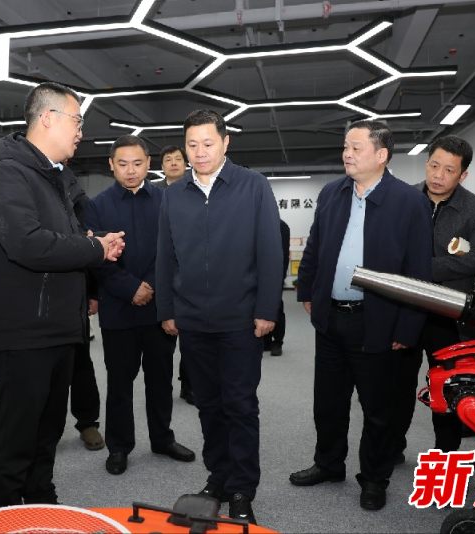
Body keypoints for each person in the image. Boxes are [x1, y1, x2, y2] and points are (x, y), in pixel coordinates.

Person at [0, 82, 124, 510]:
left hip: (59, 328)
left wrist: (93, 242)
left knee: (46, 436)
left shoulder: (54, 177)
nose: (81, 132)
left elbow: (63, 239)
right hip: (23, 332)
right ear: (47, 118)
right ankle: (1, 520)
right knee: (14, 443)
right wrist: (95, 248)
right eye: (76, 121)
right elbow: (27, 243)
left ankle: (41, 505)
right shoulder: (8, 173)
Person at [289, 119, 432, 511]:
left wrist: (408, 327)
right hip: (332, 319)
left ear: (381, 155)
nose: (347, 154)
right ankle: (328, 464)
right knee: (328, 403)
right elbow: (315, 247)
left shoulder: (409, 202)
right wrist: (308, 291)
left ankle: (374, 478)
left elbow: (419, 270)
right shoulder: (332, 193)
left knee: (378, 409)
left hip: (379, 321)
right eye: (345, 147)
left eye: (356, 148)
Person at [156, 109, 283, 524]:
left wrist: (267, 309)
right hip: (192, 320)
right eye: (192, 145)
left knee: (240, 404)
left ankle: (243, 487)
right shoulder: (174, 194)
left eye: (208, 143)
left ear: (225, 143)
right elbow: (165, 256)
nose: (200, 152)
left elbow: (270, 250)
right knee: (208, 405)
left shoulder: (253, 186)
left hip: (241, 319)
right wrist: (167, 309)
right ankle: (219, 477)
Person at [87, 135, 195, 476]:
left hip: (159, 309)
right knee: (120, 383)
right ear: (111, 165)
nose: (130, 170)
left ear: (149, 163)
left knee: (160, 380)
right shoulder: (97, 205)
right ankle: (119, 446)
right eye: (122, 164)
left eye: (137, 163)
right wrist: (131, 287)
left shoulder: (167, 200)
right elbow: (94, 258)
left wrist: (150, 286)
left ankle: (162, 439)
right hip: (118, 308)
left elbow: (176, 251)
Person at [392, 136, 475, 458]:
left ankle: (446, 454)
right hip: (405, 308)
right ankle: (392, 446)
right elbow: (389, 249)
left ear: (463, 175)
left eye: (449, 170)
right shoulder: (404, 199)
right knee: (397, 384)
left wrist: (421, 266)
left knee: (448, 385)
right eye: (434, 165)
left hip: (450, 314)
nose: (438, 175)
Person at [155, 144, 194, 404]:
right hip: (163, 268)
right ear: (162, 166)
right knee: (164, 339)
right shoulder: (154, 194)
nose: (173, 163)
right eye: (168, 160)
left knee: (191, 339)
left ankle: (189, 385)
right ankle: (163, 388)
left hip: (189, 272)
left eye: (178, 159)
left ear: (185, 163)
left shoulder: (196, 189)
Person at [263, 219, 290, 356]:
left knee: (276, 307)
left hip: (275, 275)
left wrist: (280, 277)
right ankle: (265, 340)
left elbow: (284, 256)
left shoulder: (282, 226)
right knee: (259, 307)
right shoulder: (253, 223)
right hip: (257, 275)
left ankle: (277, 341)